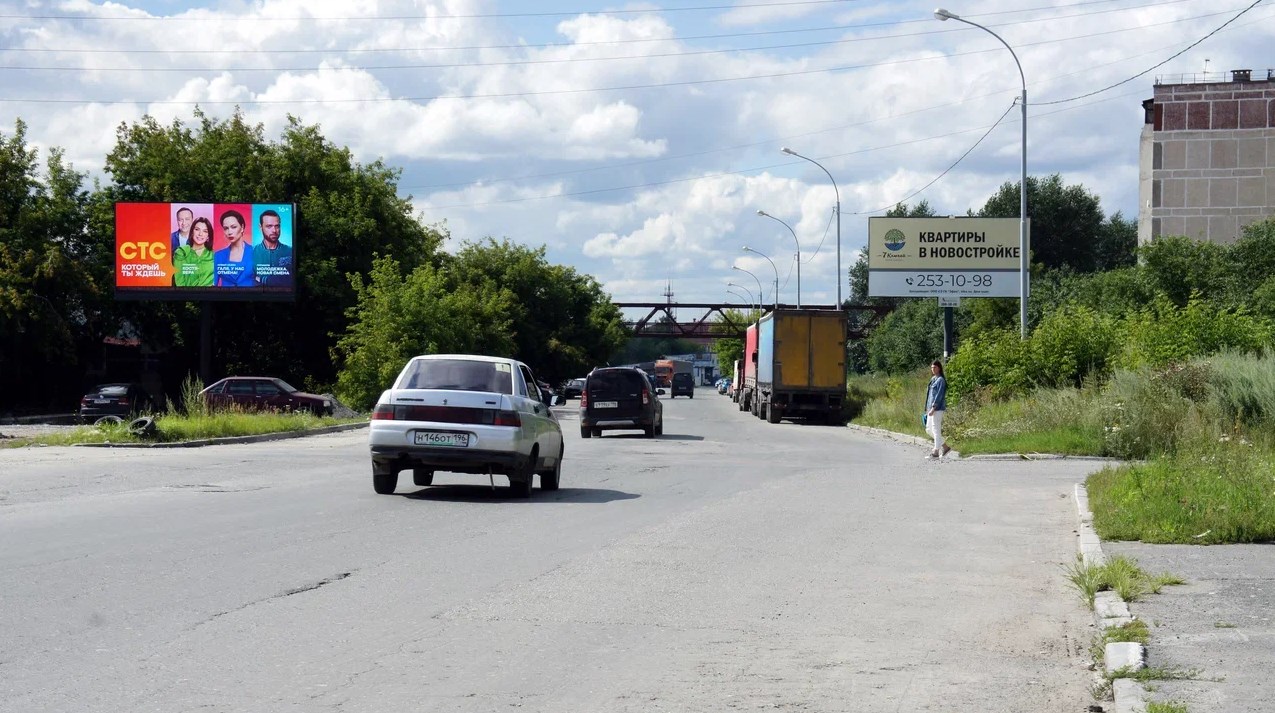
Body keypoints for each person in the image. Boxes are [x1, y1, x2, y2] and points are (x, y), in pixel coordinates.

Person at [214, 210, 256, 287]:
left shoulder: (255, 253)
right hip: (225, 298)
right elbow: (213, 285)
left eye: (233, 227)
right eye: (226, 228)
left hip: (251, 297)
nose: (229, 232)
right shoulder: (218, 256)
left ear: (242, 227)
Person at [252, 209, 293, 287]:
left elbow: (291, 280)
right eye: (269, 226)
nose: (274, 230)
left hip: (284, 297)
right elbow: (247, 280)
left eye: (277, 226)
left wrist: (261, 279)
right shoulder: (250, 253)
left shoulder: (290, 251)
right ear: (260, 227)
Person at [172, 217, 215, 287]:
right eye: (197, 229)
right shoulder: (181, 253)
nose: (200, 234)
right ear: (192, 232)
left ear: (208, 236)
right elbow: (179, 281)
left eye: (205, 231)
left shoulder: (214, 256)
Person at [925, 360, 951, 459]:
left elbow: (939, 395)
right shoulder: (933, 379)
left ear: (939, 368)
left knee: (936, 429)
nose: (932, 369)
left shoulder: (941, 380)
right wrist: (927, 409)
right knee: (928, 429)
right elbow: (929, 396)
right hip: (930, 408)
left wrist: (933, 408)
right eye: (931, 367)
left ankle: (935, 452)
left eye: (934, 367)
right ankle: (945, 447)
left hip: (937, 408)